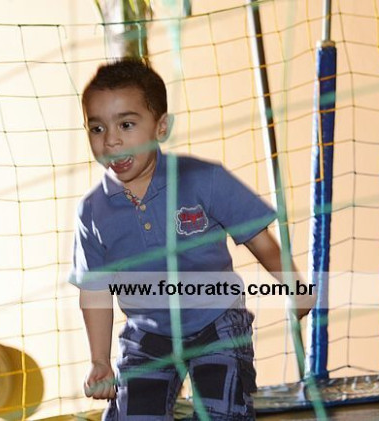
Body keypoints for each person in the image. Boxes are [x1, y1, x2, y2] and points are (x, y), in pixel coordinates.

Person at [69, 58, 315, 420]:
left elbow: (258, 239)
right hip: (148, 332)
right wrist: (100, 361)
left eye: (126, 124)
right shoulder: (93, 211)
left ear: (161, 126)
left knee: (221, 411)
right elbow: (95, 291)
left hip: (216, 320)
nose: (111, 140)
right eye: (97, 128)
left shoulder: (202, 179)